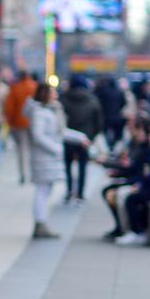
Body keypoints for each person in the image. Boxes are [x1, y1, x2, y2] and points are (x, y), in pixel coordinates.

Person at [26, 83, 88, 239]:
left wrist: (80, 138)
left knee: (45, 190)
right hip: (44, 158)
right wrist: (56, 149)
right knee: (43, 190)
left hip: (48, 157)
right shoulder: (40, 112)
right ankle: (40, 223)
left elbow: (61, 132)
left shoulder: (49, 110)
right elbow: (38, 135)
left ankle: (41, 222)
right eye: (53, 92)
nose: (56, 95)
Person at [99, 117, 150, 240]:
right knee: (108, 191)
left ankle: (127, 229)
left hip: (139, 182)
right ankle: (120, 227)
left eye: (136, 129)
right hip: (134, 179)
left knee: (119, 194)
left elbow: (135, 168)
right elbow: (129, 165)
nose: (133, 131)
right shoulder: (136, 144)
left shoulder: (145, 148)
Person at [60, 75, 104, 204]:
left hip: (68, 138)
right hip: (86, 138)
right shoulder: (92, 100)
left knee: (67, 165)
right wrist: (92, 136)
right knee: (83, 166)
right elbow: (99, 122)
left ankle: (69, 191)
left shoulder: (64, 99)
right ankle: (80, 193)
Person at [6, 70, 40, 184]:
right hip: (35, 122)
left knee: (21, 150)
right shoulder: (36, 87)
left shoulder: (16, 88)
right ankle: (33, 173)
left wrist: (10, 122)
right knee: (34, 149)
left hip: (19, 123)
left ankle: (23, 174)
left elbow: (9, 108)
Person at [95, 75, 127, 147]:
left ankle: (107, 148)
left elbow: (98, 102)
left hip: (106, 117)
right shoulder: (119, 92)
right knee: (117, 137)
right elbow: (124, 102)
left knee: (105, 136)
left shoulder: (103, 92)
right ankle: (115, 149)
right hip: (117, 117)